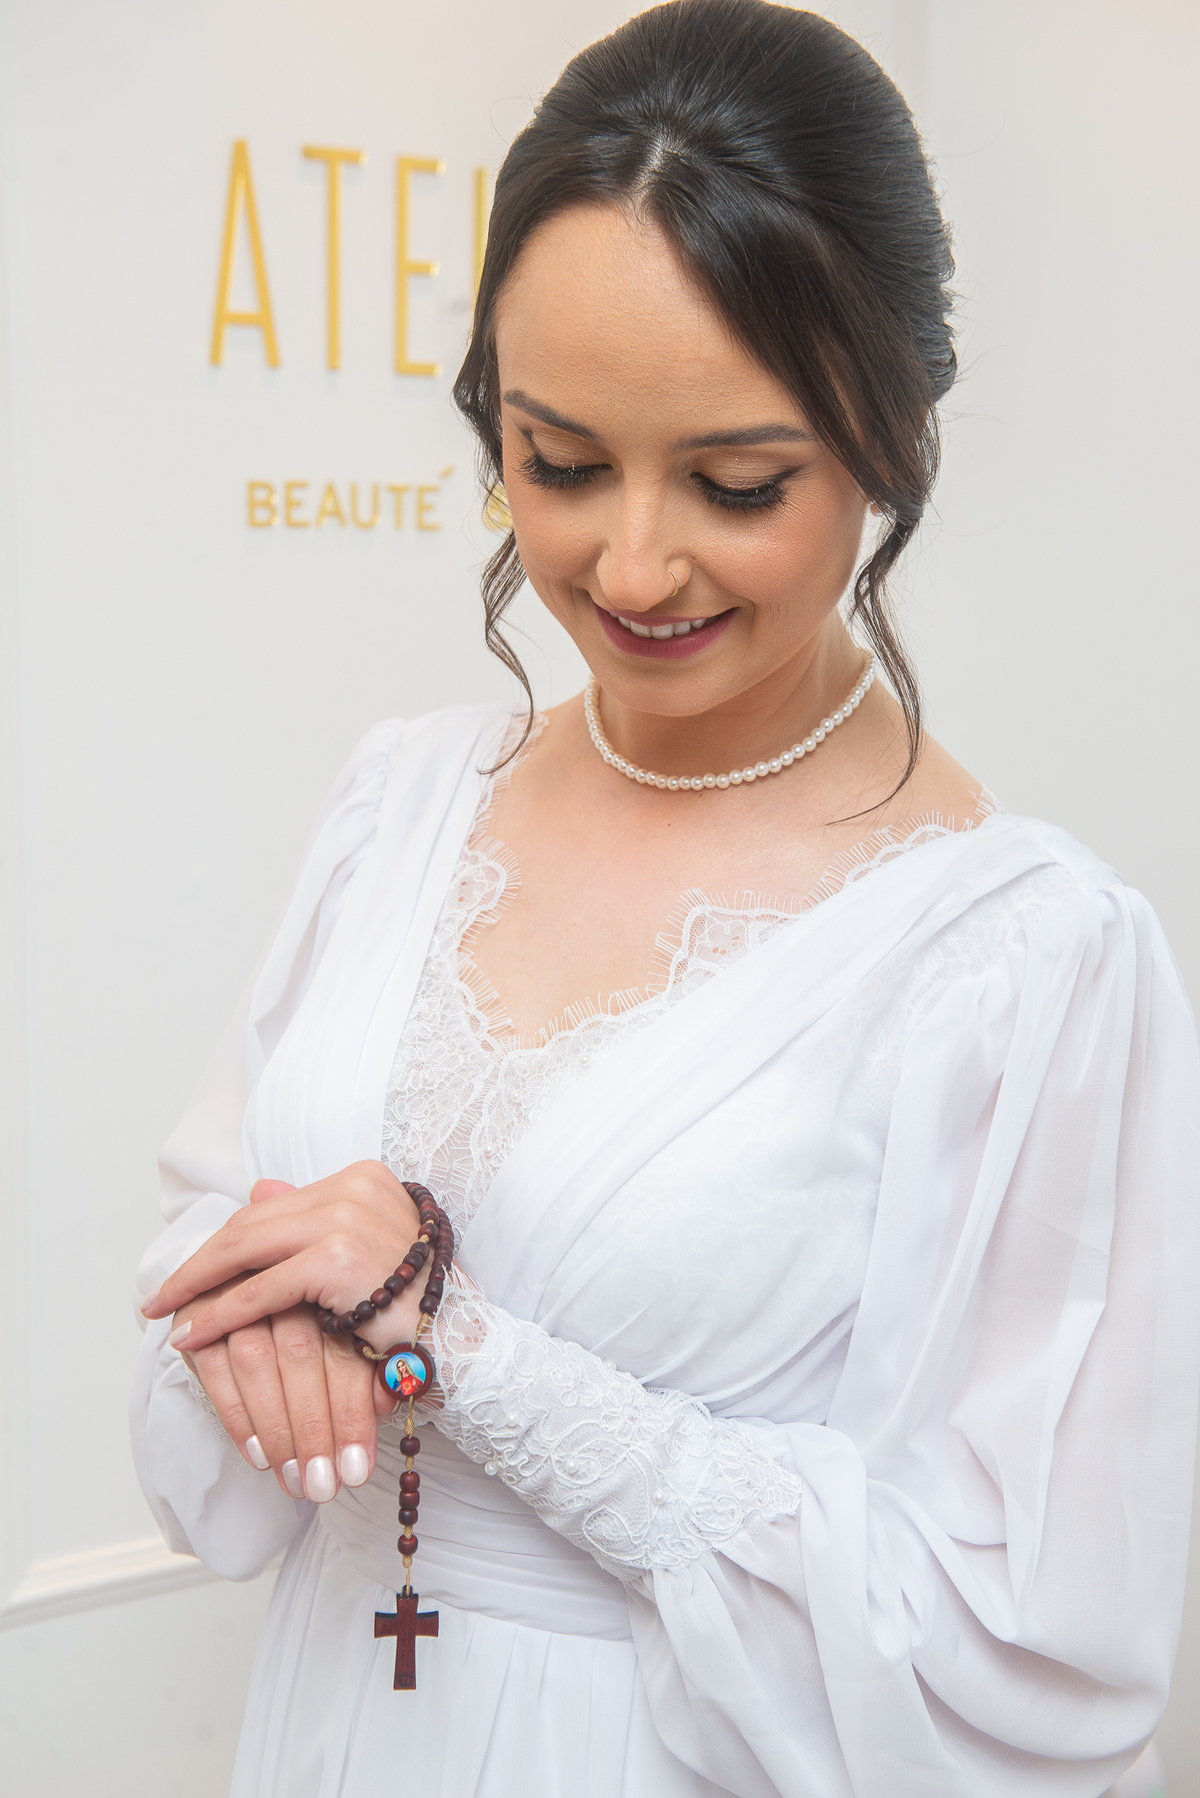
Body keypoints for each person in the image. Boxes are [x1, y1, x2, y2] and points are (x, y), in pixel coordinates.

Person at [131, 3, 1200, 1793]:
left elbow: (1028, 1653)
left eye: (737, 481)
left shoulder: (1025, 963)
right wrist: (255, 1324)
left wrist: (451, 1345)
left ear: (893, 431)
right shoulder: (400, 798)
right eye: (558, 461)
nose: (630, 563)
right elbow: (212, 1245)